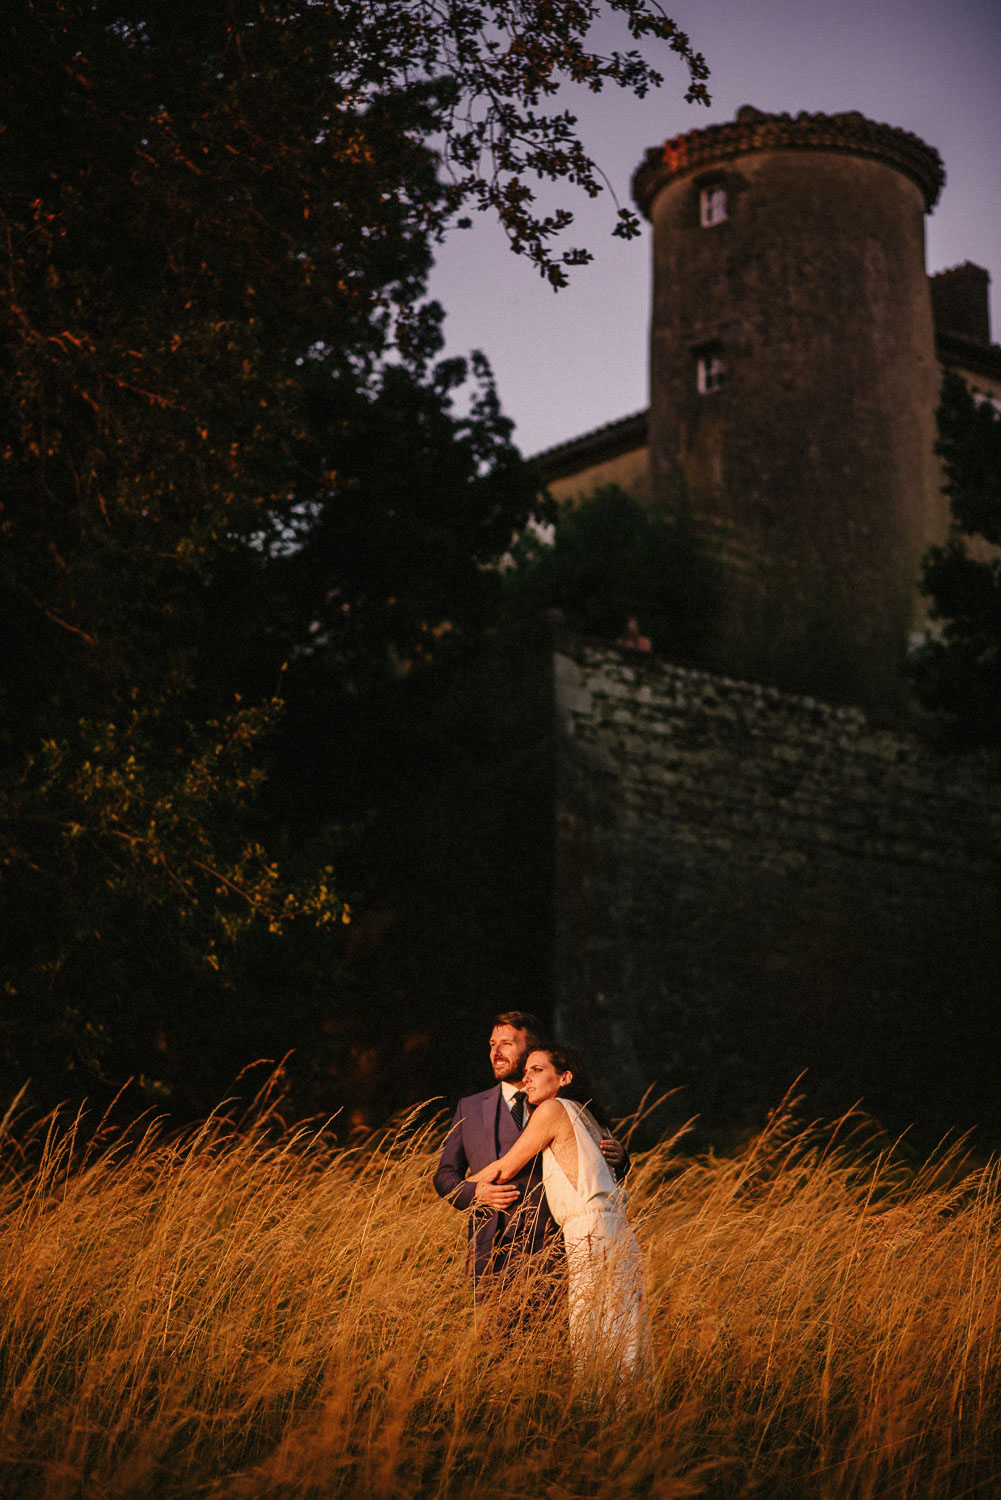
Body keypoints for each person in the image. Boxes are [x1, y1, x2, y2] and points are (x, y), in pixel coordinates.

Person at [470, 1043, 652, 1393]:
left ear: (565, 1077)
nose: (526, 1078)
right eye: (527, 1072)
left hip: (590, 1232)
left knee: (594, 1333)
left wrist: (460, 1189)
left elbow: (506, 1167)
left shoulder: (552, 1110)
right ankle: (630, 1418)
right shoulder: (592, 1118)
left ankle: (598, 1420)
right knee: (624, 1333)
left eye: (538, 1070)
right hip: (617, 1231)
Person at [433, 1012, 627, 1296]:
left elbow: (597, 1167)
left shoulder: (560, 1103)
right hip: (492, 1252)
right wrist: (475, 1193)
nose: (496, 1052)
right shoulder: (470, 1108)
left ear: (532, 1048)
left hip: (559, 1251)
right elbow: (444, 1175)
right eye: (491, 1044)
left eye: (507, 1043)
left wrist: (621, 1157)